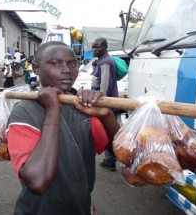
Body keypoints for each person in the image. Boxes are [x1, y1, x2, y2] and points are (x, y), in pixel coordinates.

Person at [6, 41, 119, 215]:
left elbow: (118, 152)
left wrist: (105, 115)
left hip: (81, 207)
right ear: (36, 68)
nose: (67, 69)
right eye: (56, 63)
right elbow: (37, 182)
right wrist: (52, 110)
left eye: (72, 64)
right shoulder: (24, 112)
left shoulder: (83, 107)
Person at [91, 37, 119, 172]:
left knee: (107, 132)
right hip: (105, 103)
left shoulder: (106, 62)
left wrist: (100, 101)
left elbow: (104, 88)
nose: (95, 49)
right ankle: (111, 159)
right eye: (93, 47)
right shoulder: (101, 61)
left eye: (98, 47)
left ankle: (111, 160)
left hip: (106, 103)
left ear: (106, 47)